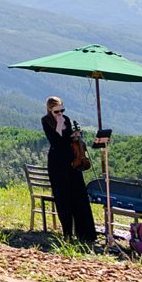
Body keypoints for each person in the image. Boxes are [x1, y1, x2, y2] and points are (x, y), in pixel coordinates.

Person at [42, 97, 98, 242]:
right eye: (57, 111)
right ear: (50, 110)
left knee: (79, 195)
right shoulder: (46, 120)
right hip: (57, 163)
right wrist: (59, 127)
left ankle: (85, 234)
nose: (60, 113)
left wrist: (75, 136)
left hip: (72, 160)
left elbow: (68, 139)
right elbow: (55, 142)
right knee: (63, 197)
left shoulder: (66, 119)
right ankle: (67, 233)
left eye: (62, 110)